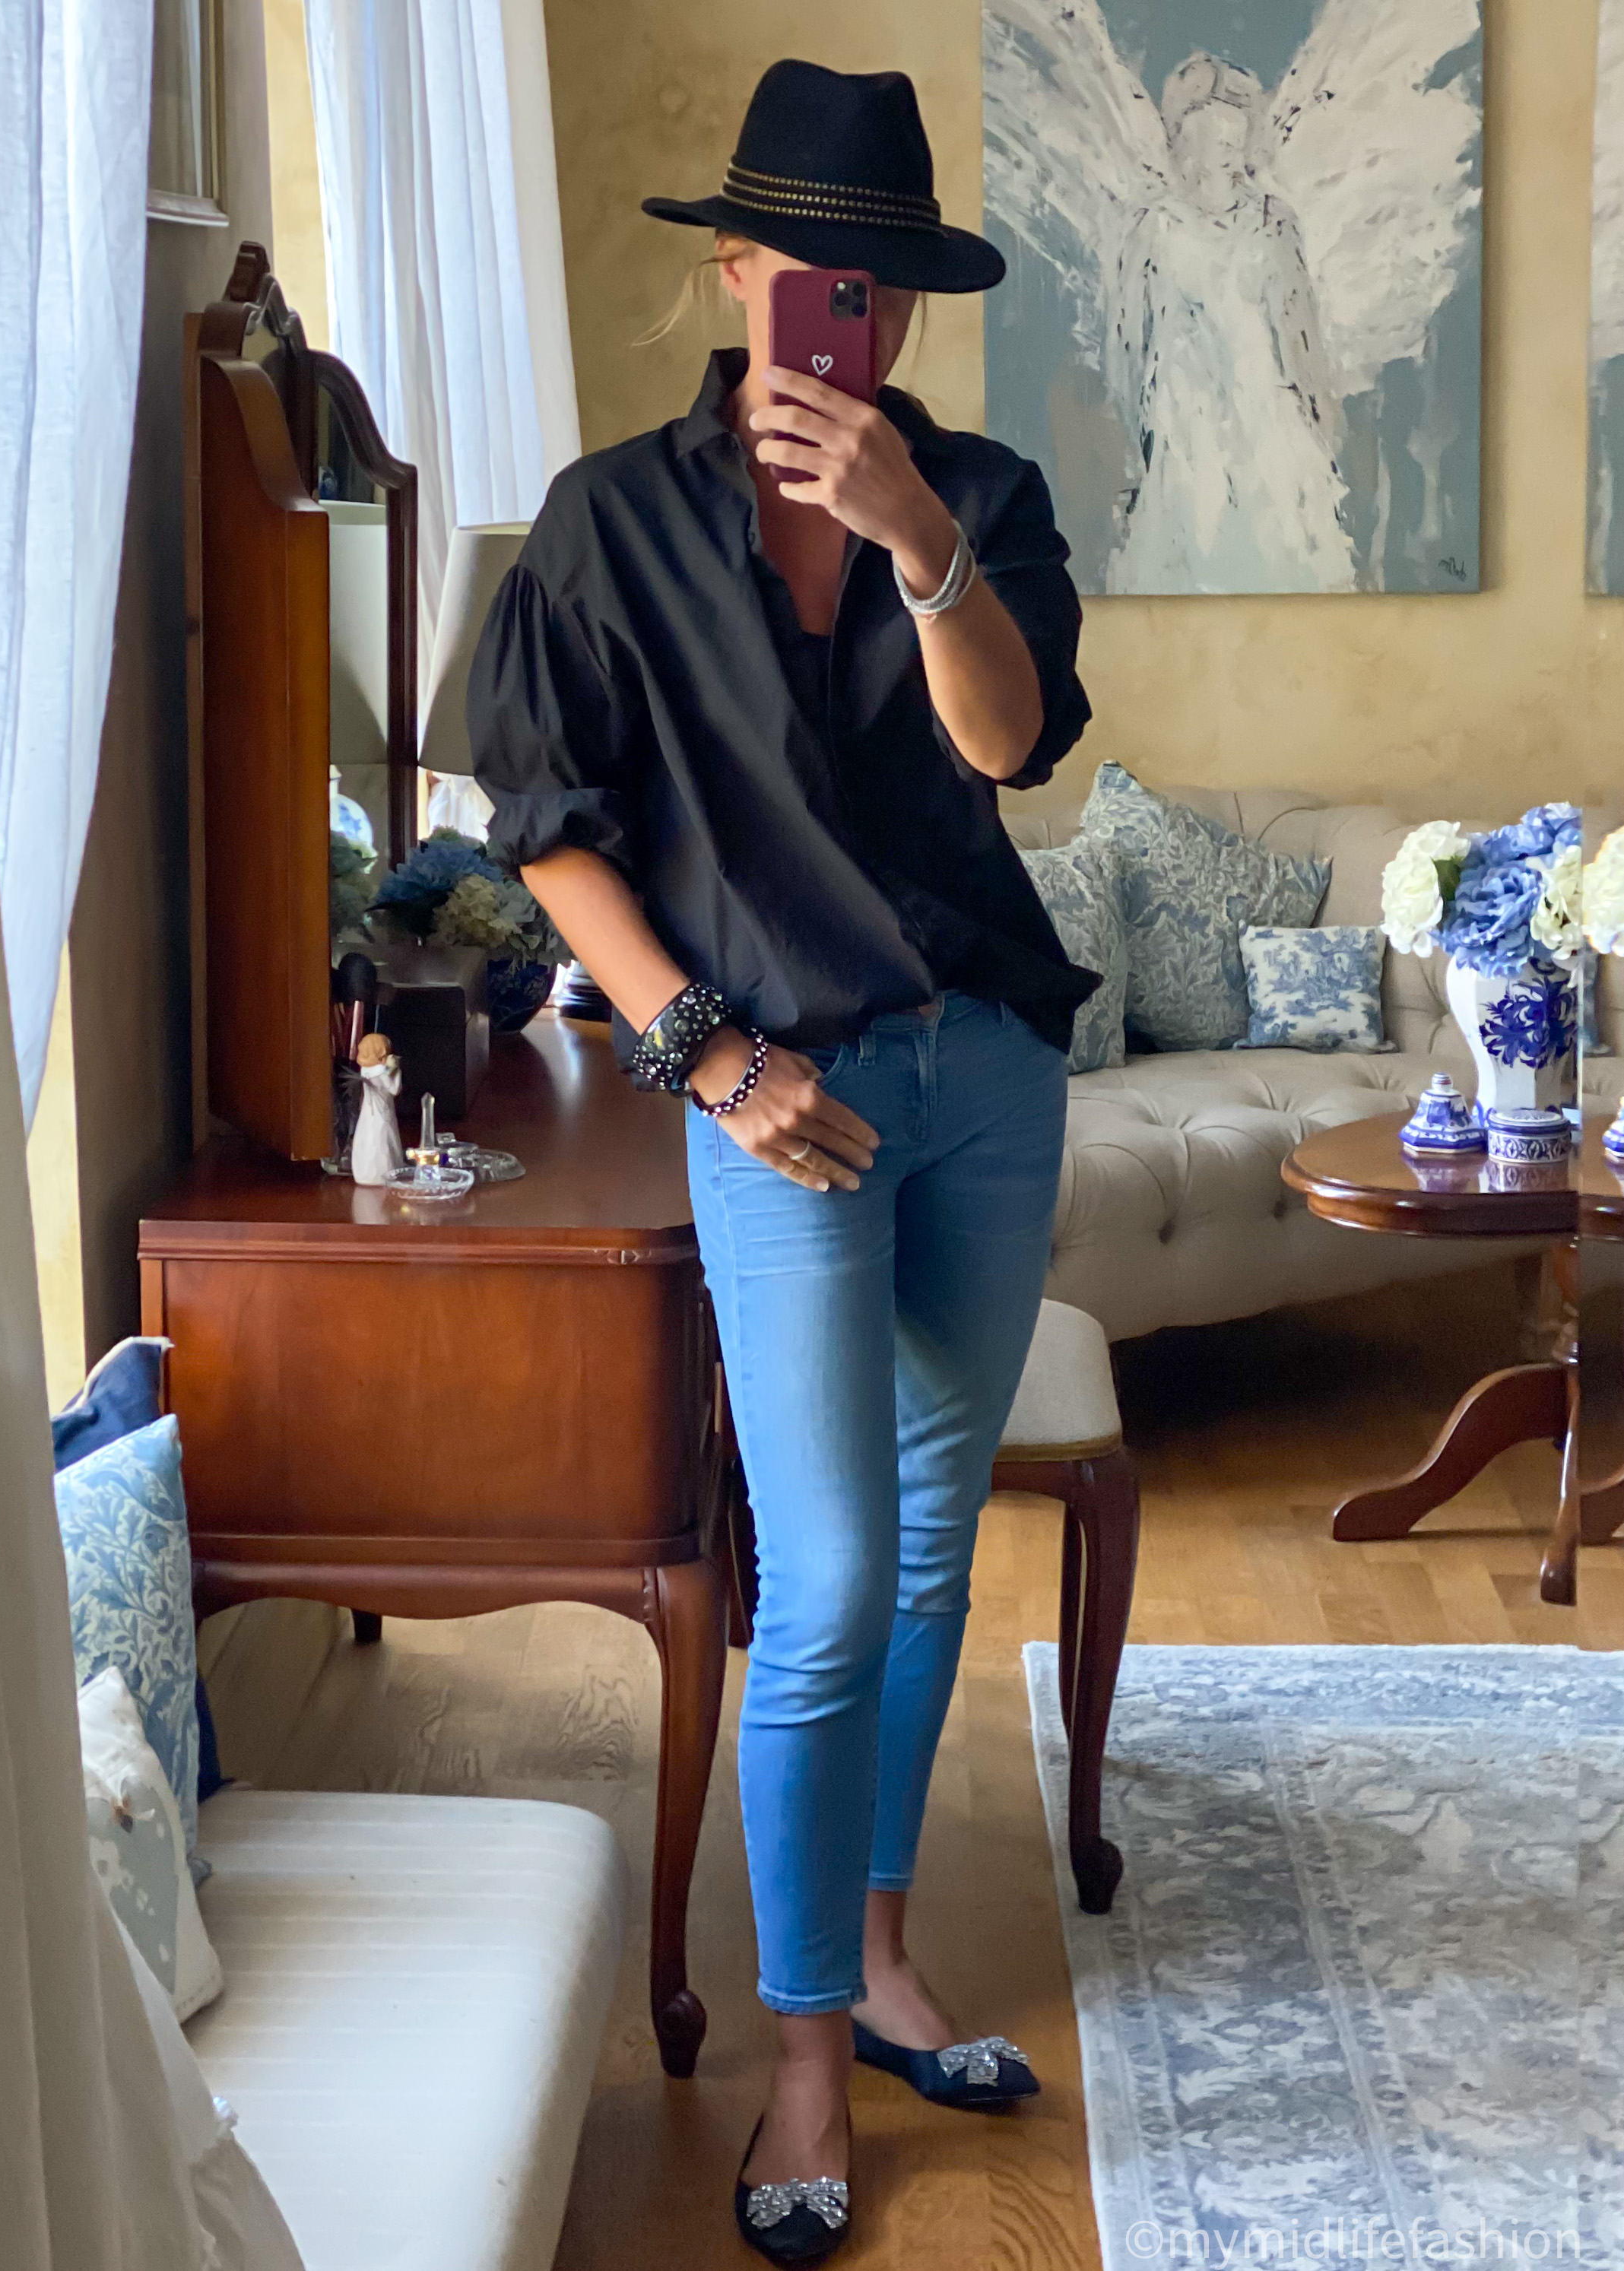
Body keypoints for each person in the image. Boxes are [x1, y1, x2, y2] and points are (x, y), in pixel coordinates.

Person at [470, 58, 1096, 2265]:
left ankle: (884, 1955)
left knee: (929, 1557)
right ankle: (807, 2053)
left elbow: (1009, 744)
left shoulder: (982, 494)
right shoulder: (604, 523)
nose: (855, 319)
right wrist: (703, 1054)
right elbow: (548, 829)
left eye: (887, 288)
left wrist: (924, 544)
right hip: (776, 1098)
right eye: (817, 275)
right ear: (734, 272)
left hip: (985, 1071)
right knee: (822, 1584)